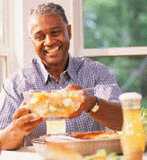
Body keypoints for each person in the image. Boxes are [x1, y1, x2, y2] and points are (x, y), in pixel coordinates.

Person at [0, 2, 122, 150]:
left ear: (69, 31)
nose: (49, 41)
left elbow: (124, 121)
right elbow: (2, 141)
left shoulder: (97, 73)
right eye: (39, 36)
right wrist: (16, 130)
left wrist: (91, 103)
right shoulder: (16, 84)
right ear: (32, 40)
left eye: (55, 32)